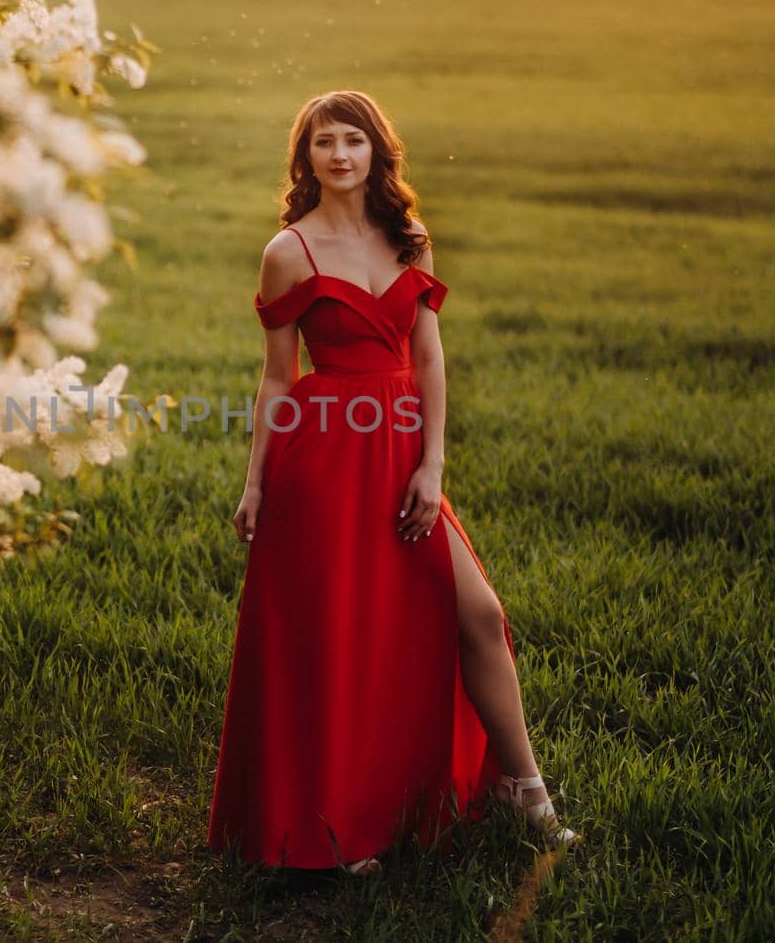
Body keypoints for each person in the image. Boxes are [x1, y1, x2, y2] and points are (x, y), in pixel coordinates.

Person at [207, 90, 580, 876]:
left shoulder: (410, 241)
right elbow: (280, 379)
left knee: (477, 611)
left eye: (353, 141)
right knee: (342, 642)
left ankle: (525, 788)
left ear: (377, 152)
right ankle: (338, 823)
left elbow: (430, 358)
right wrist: (255, 483)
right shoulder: (289, 252)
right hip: (324, 463)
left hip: (403, 455)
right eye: (322, 144)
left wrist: (432, 463)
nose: (339, 155)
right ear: (304, 159)